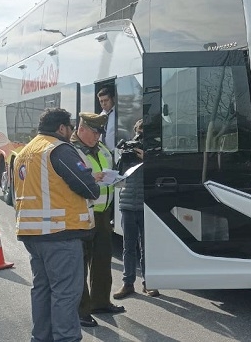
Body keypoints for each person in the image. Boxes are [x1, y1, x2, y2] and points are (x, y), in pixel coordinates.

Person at [13, 108, 101, 342]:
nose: (71, 133)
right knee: (65, 294)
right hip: (60, 233)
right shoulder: (59, 149)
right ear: (62, 128)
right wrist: (94, 180)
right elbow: (89, 187)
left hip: (32, 233)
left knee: (41, 290)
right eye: (70, 128)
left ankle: (40, 338)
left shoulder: (24, 152)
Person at [70, 112, 124, 327]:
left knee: (102, 259)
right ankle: (81, 311)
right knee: (80, 263)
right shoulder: (70, 150)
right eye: (93, 132)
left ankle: (100, 302)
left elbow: (108, 172)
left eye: (99, 133)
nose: (97, 137)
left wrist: (117, 179)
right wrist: (92, 179)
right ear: (81, 128)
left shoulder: (101, 149)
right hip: (82, 212)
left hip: (103, 212)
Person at [113, 119, 159, 300]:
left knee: (147, 247)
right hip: (127, 203)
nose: (140, 137)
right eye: (138, 132)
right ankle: (128, 283)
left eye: (143, 134)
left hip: (147, 204)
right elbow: (119, 175)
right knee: (128, 246)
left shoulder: (154, 153)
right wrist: (125, 156)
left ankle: (149, 283)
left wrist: (147, 158)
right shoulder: (128, 150)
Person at [98, 87, 116, 151]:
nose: (103, 104)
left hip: (115, 152)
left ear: (113, 99)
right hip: (103, 152)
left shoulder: (118, 113)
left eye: (106, 100)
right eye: (101, 101)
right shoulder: (100, 116)